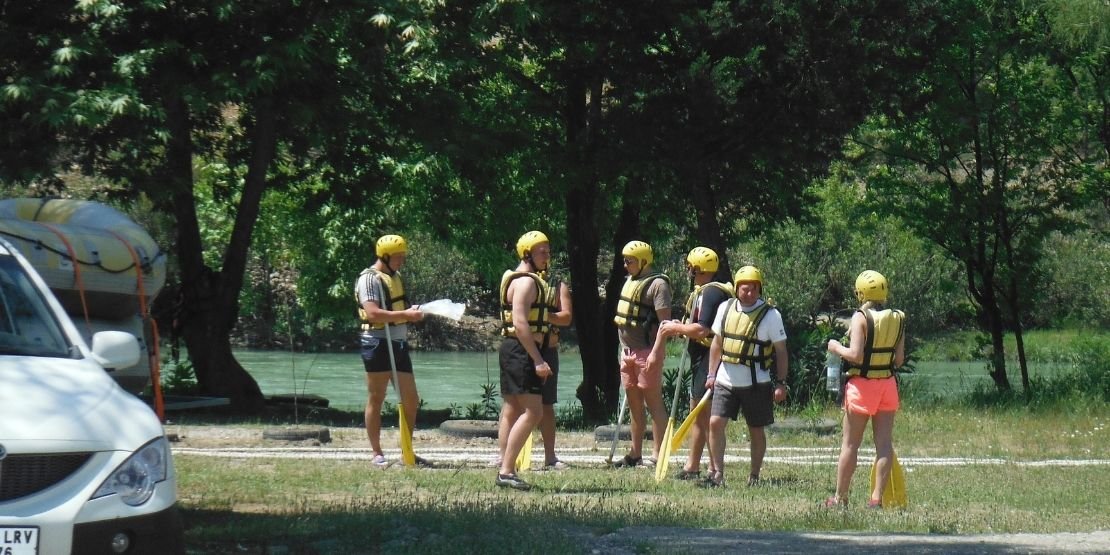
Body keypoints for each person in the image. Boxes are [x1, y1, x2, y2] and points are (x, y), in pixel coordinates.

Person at [824, 270, 906, 508]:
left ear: (860, 292)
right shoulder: (899, 317)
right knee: (884, 445)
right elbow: (898, 360)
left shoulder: (860, 317)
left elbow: (856, 355)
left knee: (850, 445)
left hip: (862, 387)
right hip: (887, 385)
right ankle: (876, 499)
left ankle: (840, 498)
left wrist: (836, 347)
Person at [704, 265, 789, 487]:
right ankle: (718, 474)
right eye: (744, 288)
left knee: (756, 430)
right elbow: (717, 344)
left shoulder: (771, 315)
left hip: (756, 382)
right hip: (725, 379)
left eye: (753, 288)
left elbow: (781, 351)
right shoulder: (725, 308)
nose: (748, 293)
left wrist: (781, 383)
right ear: (736, 289)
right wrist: (711, 374)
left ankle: (754, 475)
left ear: (759, 289)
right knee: (715, 423)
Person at [653, 247, 733, 480]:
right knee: (697, 413)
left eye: (690, 266)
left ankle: (709, 469)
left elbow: (702, 329)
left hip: (709, 356)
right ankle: (693, 465)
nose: (688, 270)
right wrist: (681, 326)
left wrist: (675, 328)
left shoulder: (710, 293)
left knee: (702, 413)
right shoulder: (708, 291)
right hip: (702, 355)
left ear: (697, 268)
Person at [354, 234, 428, 468]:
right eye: (398, 257)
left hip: (397, 343)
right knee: (377, 397)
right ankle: (376, 453)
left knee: (411, 399)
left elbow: (400, 308)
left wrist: (412, 311)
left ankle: (407, 450)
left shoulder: (395, 277)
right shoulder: (369, 279)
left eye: (403, 256)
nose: (401, 261)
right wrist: (406, 315)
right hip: (376, 343)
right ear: (384, 256)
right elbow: (373, 313)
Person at [495, 231, 555, 490]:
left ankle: (505, 465)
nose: (547, 256)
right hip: (521, 351)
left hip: (512, 350)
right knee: (534, 411)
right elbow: (520, 323)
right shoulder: (527, 282)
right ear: (527, 253)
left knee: (511, 409)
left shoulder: (517, 278)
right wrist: (538, 359)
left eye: (548, 251)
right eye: (542, 251)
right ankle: (507, 471)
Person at [612, 240, 672, 468]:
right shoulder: (630, 281)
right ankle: (634, 454)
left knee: (653, 402)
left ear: (644, 261)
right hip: (626, 352)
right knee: (634, 405)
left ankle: (658, 455)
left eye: (630, 261)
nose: (626, 265)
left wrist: (657, 353)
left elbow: (665, 324)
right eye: (625, 260)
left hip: (647, 352)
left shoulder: (658, 285)